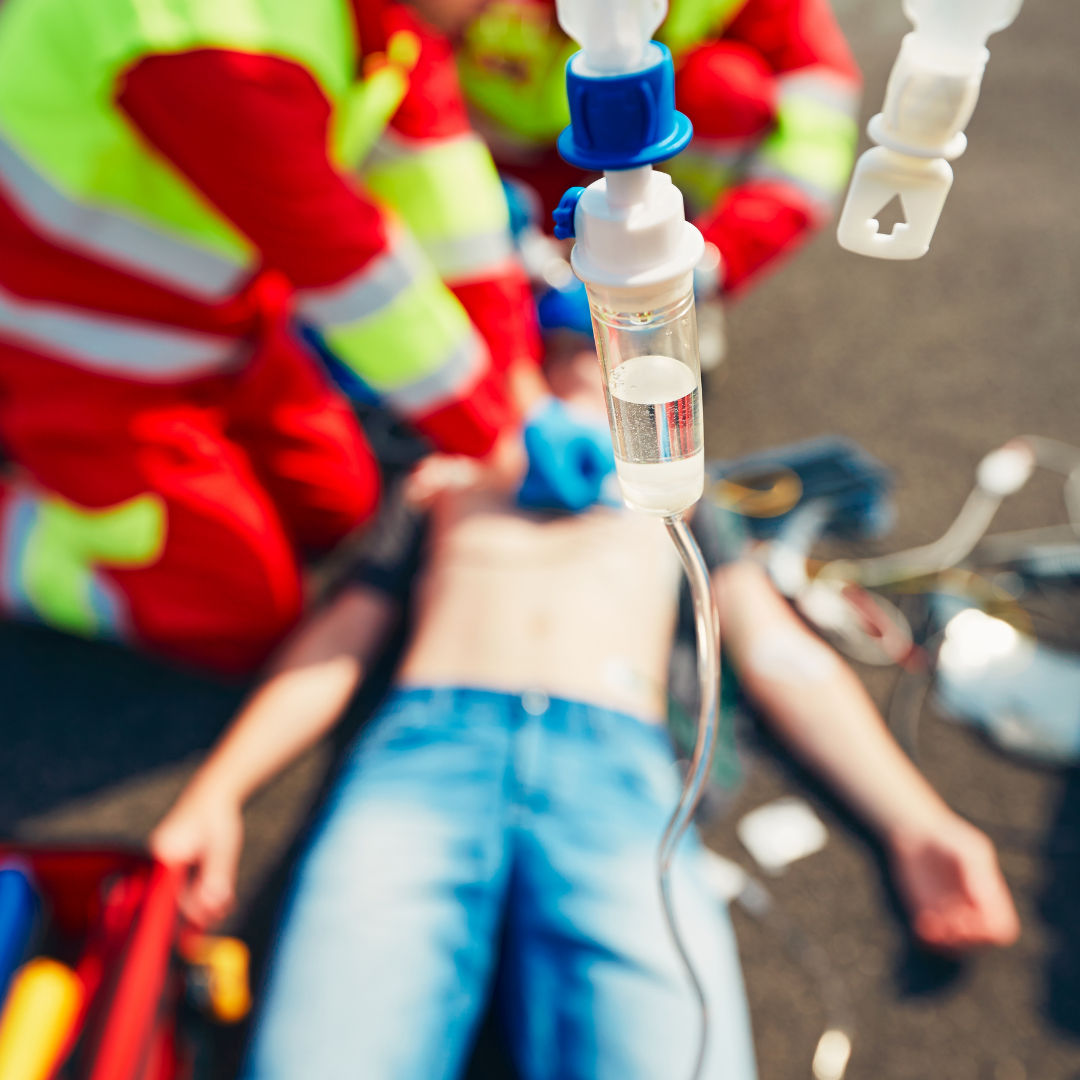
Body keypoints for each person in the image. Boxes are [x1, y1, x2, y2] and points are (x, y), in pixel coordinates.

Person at [151, 347, 1020, 1079]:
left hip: (616, 776)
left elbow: (776, 651)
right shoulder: (450, 471)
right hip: (426, 755)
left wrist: (917, 824)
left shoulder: (683, 492)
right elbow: (341, 638)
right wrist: (217, 792)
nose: (588, 346)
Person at [0, 0, 615, 674]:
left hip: (215, 323)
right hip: (65, 348)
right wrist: (496, 433)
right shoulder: (208, 41)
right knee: (236, 612)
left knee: (337, 502)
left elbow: (442, 187)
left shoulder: (395, 17)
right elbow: (350, 272)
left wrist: (520, 387)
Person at [457, 0, 862, 297]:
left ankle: (677, 282)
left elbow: (817, 115)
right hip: (509, 172)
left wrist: (710, 261)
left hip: (651, 169)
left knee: (725, 91)